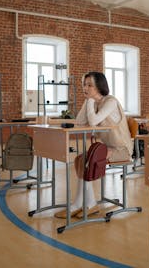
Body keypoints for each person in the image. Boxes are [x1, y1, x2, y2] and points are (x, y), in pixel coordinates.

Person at [55, 71, 133, 219]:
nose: (86, 88)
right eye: (84, 84)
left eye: (90, 85)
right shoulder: (93, 102)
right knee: (79, 160)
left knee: (86, 160)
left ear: (99, 86)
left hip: (122, 149)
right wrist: (87, 102)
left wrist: (90, 101)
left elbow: (94, 121)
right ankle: (86, 203)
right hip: (108, 147)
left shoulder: (111, 101)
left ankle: (82, 205)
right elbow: (79, 122)